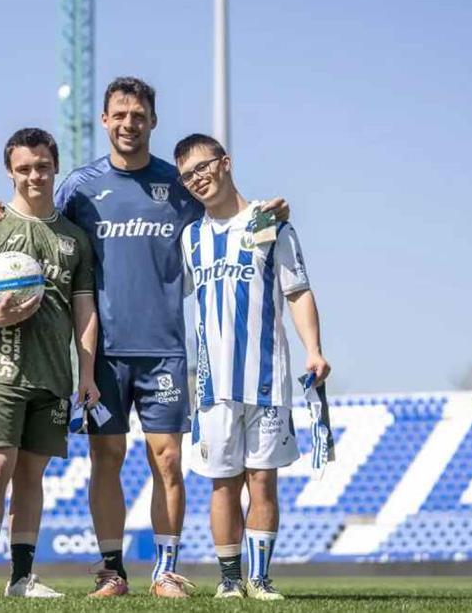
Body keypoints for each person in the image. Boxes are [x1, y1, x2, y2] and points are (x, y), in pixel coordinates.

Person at [0, 77, 289, 598]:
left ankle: (166, 569)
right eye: (119, 115)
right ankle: (112, 571)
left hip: (165, 348)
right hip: (102, 352)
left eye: (139, 115)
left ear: (152, 121)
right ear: (105, 121)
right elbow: (37, 214)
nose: (129, 123)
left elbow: (227, 213)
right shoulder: (80, 187)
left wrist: (267, 214)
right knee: (107, 459)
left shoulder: (178, 187)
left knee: (167, 458)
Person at [174, 134, 330, 600]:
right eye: (186, 176)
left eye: (202, 167)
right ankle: (228, 581)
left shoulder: (269, 224)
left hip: (266, 379)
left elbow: (297, 290)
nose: (197, 179)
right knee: (222, 484)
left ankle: (259, 579)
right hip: (212, 385)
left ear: (225, 163)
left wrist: (314, 349)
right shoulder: (190, 237)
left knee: (263, 481)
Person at [0, 128, 100, 598]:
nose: (34, 175)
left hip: (53, 373)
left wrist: (87, 372)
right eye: (23, 168)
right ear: (10, 172)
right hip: (0, 368)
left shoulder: (73, 238)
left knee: (32, 475)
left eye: (42, 166)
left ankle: (21, 577)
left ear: (54, 166)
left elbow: (85, 309)